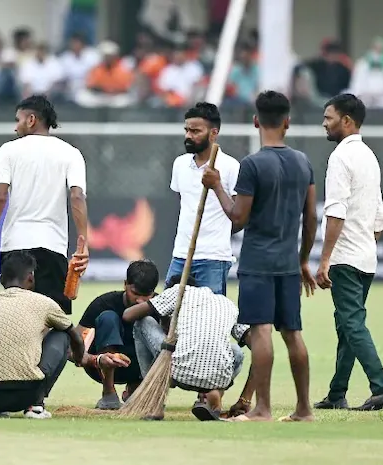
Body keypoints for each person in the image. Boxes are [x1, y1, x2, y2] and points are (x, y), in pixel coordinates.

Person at [201, 90, 317, 422]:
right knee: (293, 333)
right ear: (287, 122)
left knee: (262, 330)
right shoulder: (303, 162)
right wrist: (303, 259)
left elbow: (238, 218)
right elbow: (310, 219)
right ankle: (304, 409)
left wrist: (217, 186)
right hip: (287, 263)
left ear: (256, 122)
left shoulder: (253, 165)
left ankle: (263, 409)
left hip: (257, 262)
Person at [314, 93, 383, 412]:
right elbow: (379, 216)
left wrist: (324, 259)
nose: (325, 123)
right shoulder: (369, 156)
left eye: (329, 118)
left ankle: (381, 387)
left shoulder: (340, 158)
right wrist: (365, 241)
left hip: (346, 259)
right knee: (347, 324)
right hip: (366, 257)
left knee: (351, 323)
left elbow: (335, 211)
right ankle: (337, 394)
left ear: (346, 120)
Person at [0, 250, 130, 419]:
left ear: (1, 279)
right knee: (62, 335)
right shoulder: (44, 303)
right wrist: (81, 358)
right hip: (26, 393)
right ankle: (35, 406)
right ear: (31, 278)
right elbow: (75, 337)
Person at [0, 94, 89, 314]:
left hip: (14, 246)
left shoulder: (8, 150)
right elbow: (77, 196)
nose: (15, 127)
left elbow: (0, 197)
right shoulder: (71, 153)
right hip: (52, 246)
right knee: (54, 319)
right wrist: (83, 242)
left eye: (18, 120)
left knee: (14, 317)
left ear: (31, 120)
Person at [122, 274, 248, 421]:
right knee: (237, 352)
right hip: (218, 378)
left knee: (142, 322)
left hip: (177, 371)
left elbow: (128, 315)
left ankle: (154, 401)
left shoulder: (178, 292)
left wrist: (163, 313)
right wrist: (246, 398)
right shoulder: (226, 303)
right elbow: (251, 339)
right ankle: (213, 395)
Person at [168, 102, 239, 296]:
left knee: (210, 320)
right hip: (181, 255)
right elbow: (182, 204)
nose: (188, 136)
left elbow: (238, 216)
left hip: (213, 259)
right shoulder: (180, 164)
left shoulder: (230, 166)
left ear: (213, 133)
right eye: (187, 130)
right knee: (167, 315)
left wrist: (216, 185)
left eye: (195, 131)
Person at [76, 259, 159, 410]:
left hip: (140, 367)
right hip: (100, 366)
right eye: (135, 293)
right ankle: (109, 394)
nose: (140, 300)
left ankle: (138, 388)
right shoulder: (103, 303)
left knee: (151, 324)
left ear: (154, 292)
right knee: (108, 317)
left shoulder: (160, 306)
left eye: (147, 295)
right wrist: (96, 360)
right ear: (125, 284)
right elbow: (72, 347)